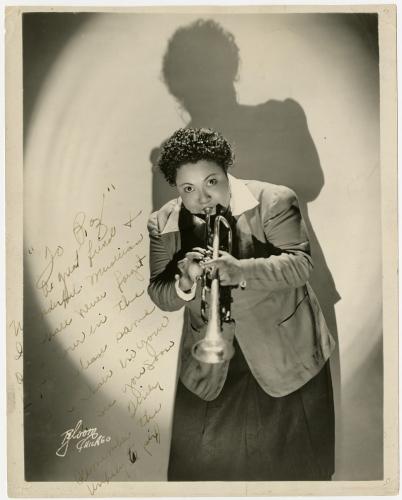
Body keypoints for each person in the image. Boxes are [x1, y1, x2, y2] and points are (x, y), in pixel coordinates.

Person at [147, 127, 336, 481]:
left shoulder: (274, 200)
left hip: (285, 355)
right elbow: (159, 291)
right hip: (211, 364)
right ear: (176, 188)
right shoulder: (163, 223)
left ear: (226, 170)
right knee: (203, 477)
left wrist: (240, 270)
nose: (202, 197)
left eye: (211, 182)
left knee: (295, 475)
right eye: (187, 189)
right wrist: (185, 281)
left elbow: (300, 266)